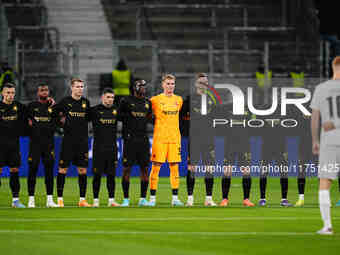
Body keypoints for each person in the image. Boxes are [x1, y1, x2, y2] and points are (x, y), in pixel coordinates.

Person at [310, 56, 340, 235]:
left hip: (329, 140)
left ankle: (327, 226)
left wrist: (315, 140)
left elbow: (315, 118)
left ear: (333, 67)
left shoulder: (321, 88)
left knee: (324, 182)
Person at [54, 78, 91, 207]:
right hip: (68, 141)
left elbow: (88, 119)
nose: (80, 89)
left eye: (82, 87)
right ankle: (59, 199)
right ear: (72, 88)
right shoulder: (65, 102)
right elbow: (54, 115)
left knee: (82, 170)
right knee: (63, 169)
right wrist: (60, 125)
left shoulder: (86, 103)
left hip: (82, 142)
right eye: (77, 86)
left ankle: (82, 200)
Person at [147, 74, 183, 206]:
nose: (170, 86)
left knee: (175, 168)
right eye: (168, 84)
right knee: (156, 167)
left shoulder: (179, 100)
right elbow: (147, 115)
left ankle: (175, 199)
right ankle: (152, 199)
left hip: (174, 139)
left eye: (172, 84)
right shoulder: (155, 100)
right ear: (163, 85)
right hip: (160, 138)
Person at [182, 73, 217, 207]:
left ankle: (208, 199)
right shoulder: (190, 99)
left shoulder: (211, 99)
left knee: (209, 168)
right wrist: (187, 131)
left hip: (209, 139)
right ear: (197, 84)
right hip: (195, 138)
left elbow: (215, 117)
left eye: (206, 82)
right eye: (201, 82)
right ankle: (190, 199)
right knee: (192, 168)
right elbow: (181, 116)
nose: (204, 84)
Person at [119, 79, 152, 207]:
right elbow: (118, 116)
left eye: (145, 86)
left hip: (143, 139)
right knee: (127, 169)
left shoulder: (147, 103)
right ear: (135, 88)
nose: (143, 88)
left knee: (144, 169)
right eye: (141, 86)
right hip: (130, 139)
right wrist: (128, 116)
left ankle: (143, 199)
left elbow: (150, 118)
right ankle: (126, 199)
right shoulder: (126, 101)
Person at [26, 84, 58, 208]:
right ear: (37, 92)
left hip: (48, 144)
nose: (44, 92)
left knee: (49, 171)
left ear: (49, 92)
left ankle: (49, 200)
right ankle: (31, 199)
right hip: (35, 144)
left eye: (46, 90)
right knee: (32, 170)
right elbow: (26, 122)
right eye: (41, 90)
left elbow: (58, 122)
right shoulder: (31, 107)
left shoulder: (53, 107)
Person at [256, 102, 292, 207]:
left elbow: (285, 132)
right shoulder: (262, 113)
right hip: (266, 148)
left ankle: (284, 199)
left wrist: (285, 150)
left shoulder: (282, 114)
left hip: (279, 148)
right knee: (263, 173)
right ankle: (262, 199)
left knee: (284, 172)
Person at [220, 104, 255, 207]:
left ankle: (246, 199)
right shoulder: (227, 109)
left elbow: (253, 124)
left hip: (244, 145)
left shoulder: (248, 111)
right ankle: (224, 199)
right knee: (227, 171)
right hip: (229, 144)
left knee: (246, 171)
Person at [90, 88, 120, 207]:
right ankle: (95, 201)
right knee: (97, 175)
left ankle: (111, 200)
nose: (110, 100)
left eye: (112, 97)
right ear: (102, 97)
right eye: (108, 97)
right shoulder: (94, 110)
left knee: (111, 175)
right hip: (98, 148)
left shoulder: (116, 110)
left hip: (112, 148)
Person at [0, 83, 27, 208]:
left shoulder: (19, 107)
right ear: (2, 93)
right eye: (8, 93)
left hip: (14, 145)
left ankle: (15, 200)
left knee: (14, 170)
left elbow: (32, 112)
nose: (10, 95)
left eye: (12, 93)